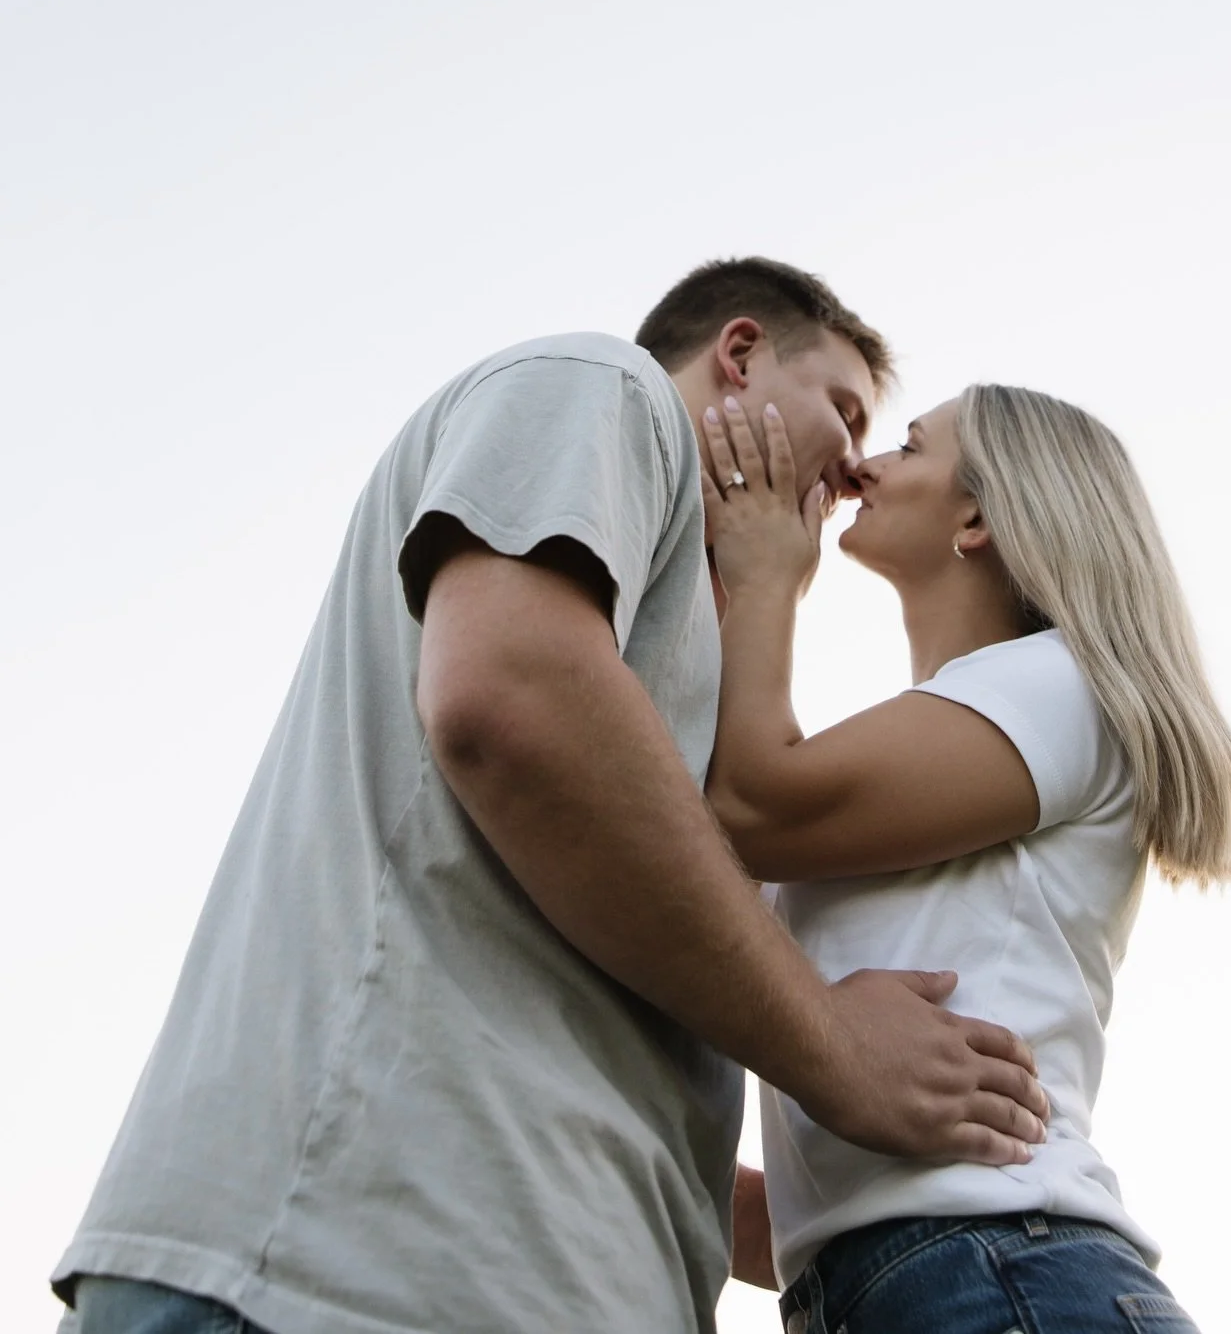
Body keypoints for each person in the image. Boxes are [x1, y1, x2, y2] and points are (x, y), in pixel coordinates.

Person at [52, 259, 1048, 1334]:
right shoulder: (603, 387)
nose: (853, 461)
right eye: (845, 408)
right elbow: (511, 703)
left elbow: (583, 1034)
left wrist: (817, 1208)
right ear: (741, 352)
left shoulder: (679, 653)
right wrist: (836, 1047)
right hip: (346, 1270)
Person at [701, 382, 1231, 1332]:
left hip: (996, 1271)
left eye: (911, 446)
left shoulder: (1061, 684)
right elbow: (838, 1197)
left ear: (977, 513)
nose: (864, 465)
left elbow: (751, 804)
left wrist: (764, 577)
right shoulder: (937, 765)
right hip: (911, 1283)